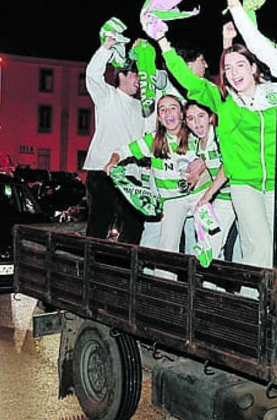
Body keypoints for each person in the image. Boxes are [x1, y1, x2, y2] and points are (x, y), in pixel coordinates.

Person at [153, 26, 277, 269]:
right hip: (244, 183)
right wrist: (162, 40)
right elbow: (188, 79)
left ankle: (265, 301)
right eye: (227, 68)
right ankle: (250, 302)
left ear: (254, 68)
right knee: (260, 247)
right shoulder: (223, 101)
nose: (234, 73)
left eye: (240, 65)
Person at [104, 95, 206, 256]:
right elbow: (123, 151)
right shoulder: (153, 140)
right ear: (158, 117)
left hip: (197, 200)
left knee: (200, 248)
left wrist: (202, 164)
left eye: (173, 108)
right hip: (171, 204)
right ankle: (158, 279)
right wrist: (112, 162)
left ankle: (199, 281)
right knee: (166, 248)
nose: (168, 113)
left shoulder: (195, 137)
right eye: (162, 110)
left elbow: (216, 153)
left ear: (181, 114)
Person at [83, 33, 151, 243]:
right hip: (103, 170)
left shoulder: (142, 107)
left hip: (131, 174)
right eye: (135, 75)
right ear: (122, 75)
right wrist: (106, 48)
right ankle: (91, 269)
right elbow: (93, 75)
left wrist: (144, 56)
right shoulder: (108, 96)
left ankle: (123, 270)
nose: (139, 81)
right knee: (99, 224)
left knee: (133, 225)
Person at [184, 100, 239, 262]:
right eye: (191, 118)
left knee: (246, 247)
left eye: (201, 116)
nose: (197, 123)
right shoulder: (195, 142)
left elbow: (227, 167)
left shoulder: (221, 135)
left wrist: (206, 196)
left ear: (210, 117)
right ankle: (211, 286)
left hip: (243, 193)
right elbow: (206, 166)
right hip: (224, 197)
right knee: (209, 245)